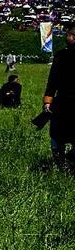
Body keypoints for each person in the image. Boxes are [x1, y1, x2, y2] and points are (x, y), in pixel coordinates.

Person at [43, 21, 75, 168]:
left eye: (69, 34)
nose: (67, 37)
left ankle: (61, 163)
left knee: (56, 135)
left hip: (63, 102)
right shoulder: (61, 55)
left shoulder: (61, 56)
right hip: (64, 100)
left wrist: (48, 100)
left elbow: (52, 81)